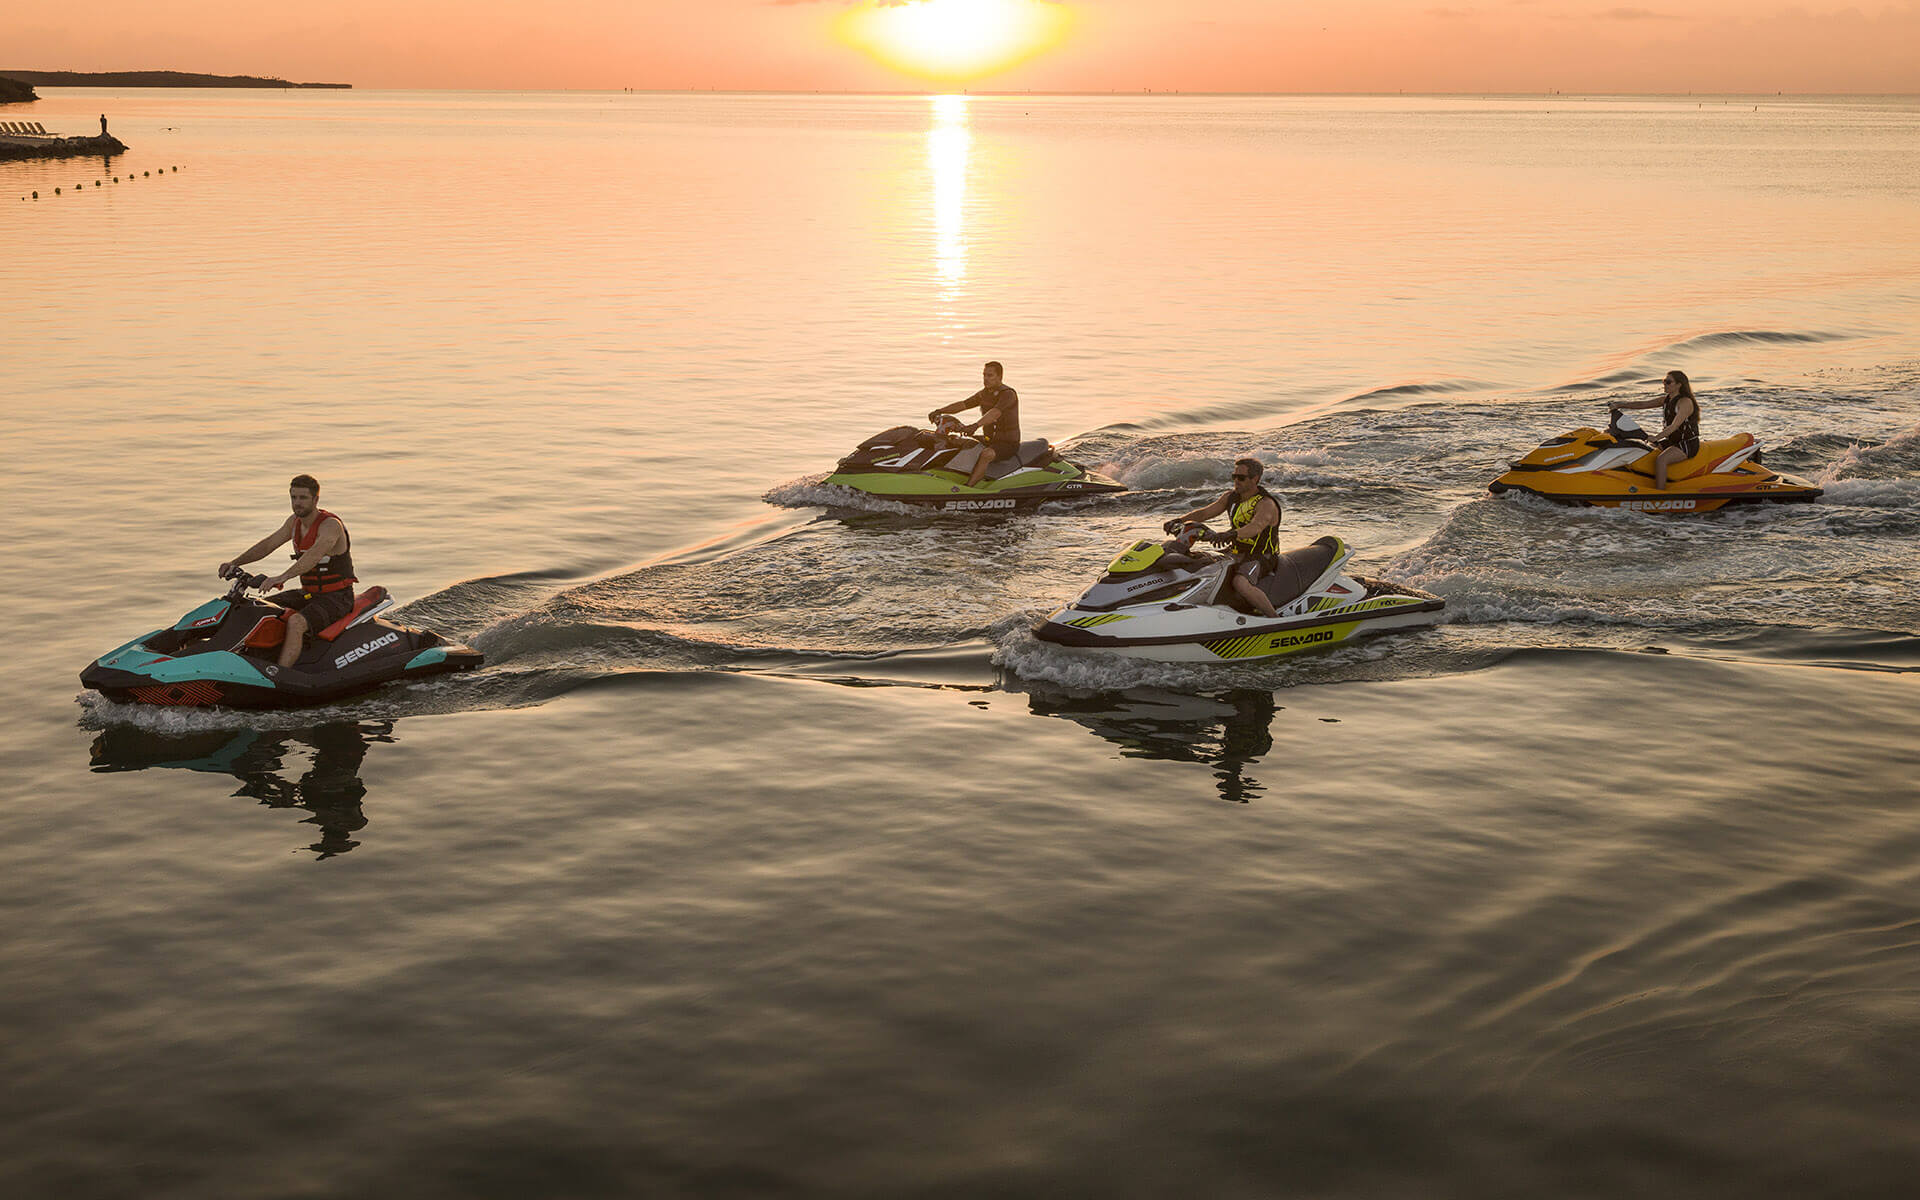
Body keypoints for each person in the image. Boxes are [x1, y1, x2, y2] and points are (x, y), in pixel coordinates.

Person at [218, 475, 358, 675]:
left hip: (337, 597)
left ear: (315, 499)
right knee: (257, 609)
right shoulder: (294, 523)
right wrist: (235, 563)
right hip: (309, 593)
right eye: (293, 497)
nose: (297, 503)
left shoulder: (330, 526)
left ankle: (279, 674)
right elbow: (267, 545)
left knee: (296, 622)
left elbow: (314, 555)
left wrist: (282, 577)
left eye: (303, 498)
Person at [1163, 457, 1283, 618]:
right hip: (1235, 551)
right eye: (1234, 476)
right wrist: (1179, 521)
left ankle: (1274, 618)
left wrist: (1231, 534)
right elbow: (1204, 513)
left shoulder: (1266, 503)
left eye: (1241, 478)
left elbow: (1256, 526)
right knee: (1203, 566)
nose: (1236, 481)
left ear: (1255, 479)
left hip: (1261, 555)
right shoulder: (1230, 497)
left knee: (1240, 583)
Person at [928, 360, 1021, 488]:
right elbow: (963, 404)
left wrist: (975, 425)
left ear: (999, 377)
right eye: (984, 375)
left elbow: (995, 413)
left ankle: (969, 487)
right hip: (989, 440)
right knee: (959, 442)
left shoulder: (1008, 394)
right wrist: (940, 410)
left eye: (990, 375)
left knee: (986, 454)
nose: (985, 379)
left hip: (1008, 443)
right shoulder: (984, 394)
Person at [1609, 370, 1701, 491]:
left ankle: (1660, 492)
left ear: (1679, 385)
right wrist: (1619, 405)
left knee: (1661, 460)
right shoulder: (1666, 400)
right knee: (1643, 450)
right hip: (1672, 441)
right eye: (1664, 381)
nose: (1664, 384)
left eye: (1668, 382)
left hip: (1687, 444)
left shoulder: (1685, 402)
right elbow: (1642, 404)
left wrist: (1656, 437)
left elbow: (1674, 426)